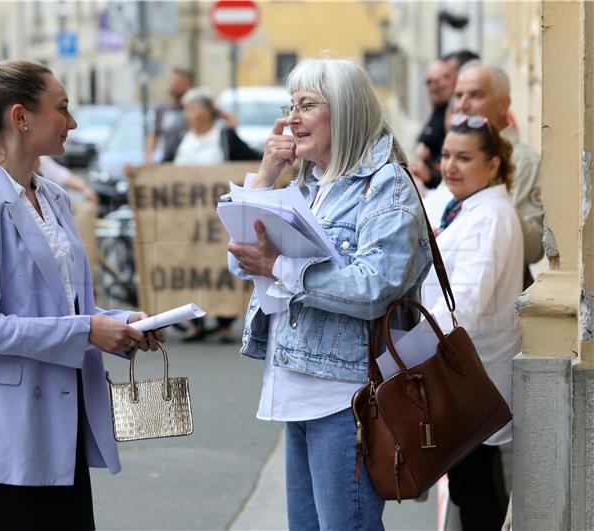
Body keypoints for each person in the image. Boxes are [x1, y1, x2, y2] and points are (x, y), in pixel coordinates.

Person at [0, 56, 162, 530]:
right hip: (8, 430)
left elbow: (65, 305)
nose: (73, 121)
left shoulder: (54, 197)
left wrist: (121, 323)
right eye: (62, 108)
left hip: (64, 421)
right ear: (21, 117)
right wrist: (89, 330)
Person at [226, 56, 433, 530]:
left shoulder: (384, 188)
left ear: (345, 112)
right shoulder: (309, 182)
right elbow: (239, 259)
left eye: (307, 105)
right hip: (297, 383)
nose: (291, 118)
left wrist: (281, 268)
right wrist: (266, 173)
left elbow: (373, 288)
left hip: (347, 395)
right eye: (291, 104)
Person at [423, 114, 522, 530]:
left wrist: (416, 345)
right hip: (464, 373)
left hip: (474, 375)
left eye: (464, 158)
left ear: (493, 164)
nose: (450, 166)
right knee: (472, 486)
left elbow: (467, 303)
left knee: (476, 489)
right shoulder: (467, 206)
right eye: (446, 155)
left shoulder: (491, 217)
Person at [167, 86, 261, 343]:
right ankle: (195, 322)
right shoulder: (182, 138)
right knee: (192, 267)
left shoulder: (225, 136)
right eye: (186, 109)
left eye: (193, 108)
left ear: (208, 111)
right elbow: (164, 167)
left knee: (220, 267)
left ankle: (224, 322)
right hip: (186, 220)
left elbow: (251, 160)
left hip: (216, 219)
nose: (188, 114)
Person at [453, 63, 543, 287]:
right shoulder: (455, 157)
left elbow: (534, 249)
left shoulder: (524, 162)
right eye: (459, 95)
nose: (463, 105)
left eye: (475, 95)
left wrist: (489, 199)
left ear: (503, 105)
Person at [410, 60, 454, 189]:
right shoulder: (437, 109)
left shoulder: (452, 112)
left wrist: (430, 176)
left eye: (443, 78)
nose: (436, 86)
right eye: (430, 82)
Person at [144, 67, 194, 164]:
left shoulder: (198, 108)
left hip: (192, 161)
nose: (174, 86)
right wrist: (149, 157)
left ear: (189, 85)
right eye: (172, 83)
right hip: (169, 161)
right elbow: (154, 133)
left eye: (178, 83)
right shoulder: (162, 109)